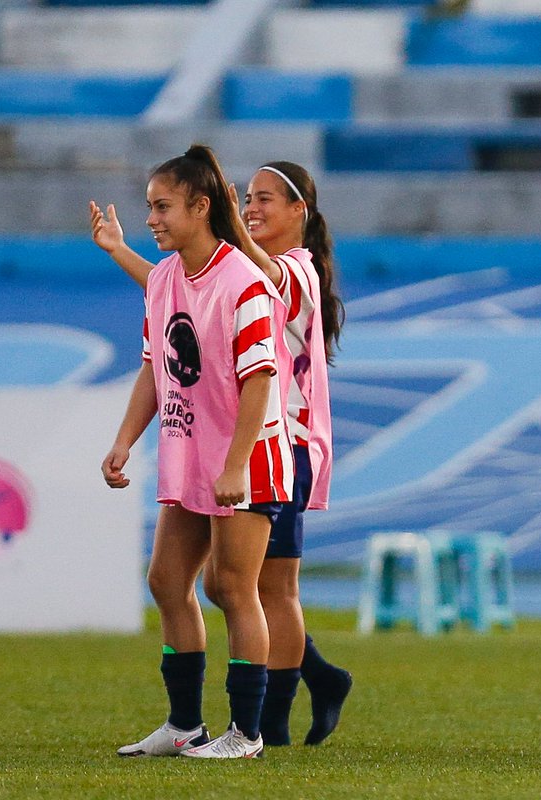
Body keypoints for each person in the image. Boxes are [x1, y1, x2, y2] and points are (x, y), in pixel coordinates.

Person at [91, 160, 352, 748]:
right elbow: (159, 355)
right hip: (196, 448)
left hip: (261, 445)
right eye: (150, 207)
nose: (151, 218)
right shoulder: (173, 276)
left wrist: (229, 225)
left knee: (247, 588)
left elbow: (257, 354)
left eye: (162, 207)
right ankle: (188, 724)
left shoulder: (274, 275)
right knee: (173, 581)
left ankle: (259, 729)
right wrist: (124, 440)